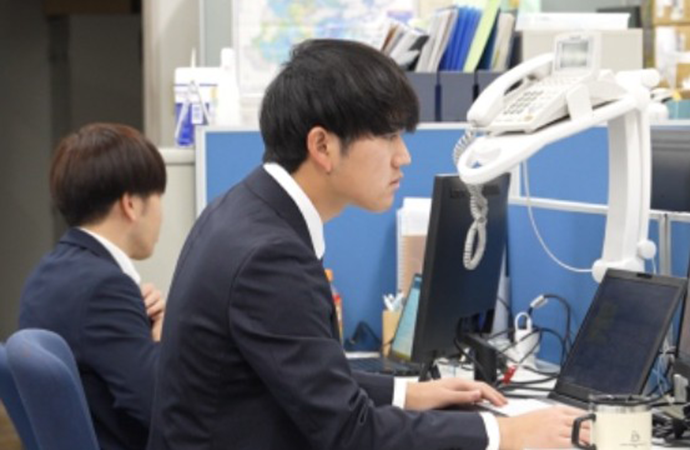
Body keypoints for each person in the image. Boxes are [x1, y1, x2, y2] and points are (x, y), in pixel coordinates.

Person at [148, 39, 586, 450]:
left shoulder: (243, 211)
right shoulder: (270, 256)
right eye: (389, 136)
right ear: (322, 146)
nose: (403, 157)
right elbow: (350, 433)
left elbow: (307, 376)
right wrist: (504, 433)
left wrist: (407, 392)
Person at [19, 123, 167, 450]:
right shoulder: (105, 288)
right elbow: (161, 407)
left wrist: (140, 323)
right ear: (131, 204)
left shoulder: (46, 274)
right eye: (159, 196)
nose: (161, 214)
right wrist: (162, 336)